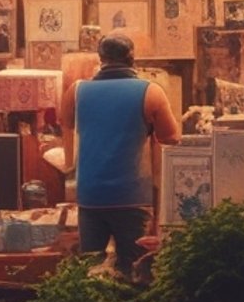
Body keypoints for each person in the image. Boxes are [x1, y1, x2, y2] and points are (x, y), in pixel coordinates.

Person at [59, 33, 181, 278]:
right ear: (132, 58)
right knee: (134, 271)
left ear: (100, 58)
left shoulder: (76, 91)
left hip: (90, 195)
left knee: (89, 268)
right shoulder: (151, 92)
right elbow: (171, 137)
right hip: (131, 195)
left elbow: (66, 123)